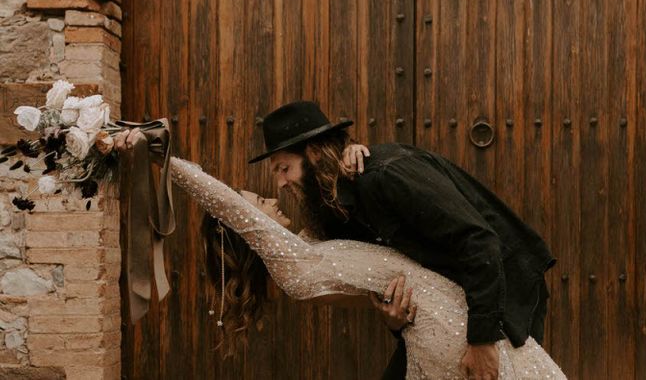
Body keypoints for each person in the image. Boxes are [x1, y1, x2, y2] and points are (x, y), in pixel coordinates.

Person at [117, 127, 565, 379]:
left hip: (470, 319)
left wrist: (352, 155)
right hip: (448, 331)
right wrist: (154, 154)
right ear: (244, 229)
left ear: (313, 155)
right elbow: (218, 198)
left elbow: (406, 271)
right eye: (255, 201)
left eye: (282, 169)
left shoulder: (317, 240)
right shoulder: (286, 256)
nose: (273, 193)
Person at [250, 101, 558, 380]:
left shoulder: (387, 174)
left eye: (284, 168)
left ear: (315, 153)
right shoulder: (338, 203)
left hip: (501, 290)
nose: (280, 183)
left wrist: (482, 340)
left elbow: (478, 242)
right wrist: (394, 320)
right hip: (443, 308)